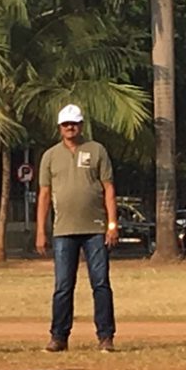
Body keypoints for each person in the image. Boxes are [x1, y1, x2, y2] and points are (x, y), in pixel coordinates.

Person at [35, 104, 118, 353]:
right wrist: (41, 229)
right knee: (63, 285)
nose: (70, 127)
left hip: (95, 228)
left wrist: (112, 224)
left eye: (74, 123)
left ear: (81, 125)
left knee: (100, 283)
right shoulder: (50, 156)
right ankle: (58, 336)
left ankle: (106, 336)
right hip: (63, 230)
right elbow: (44, 195)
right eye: (65, 124)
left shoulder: (96, 150)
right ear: (60, 127)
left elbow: (109, 189)